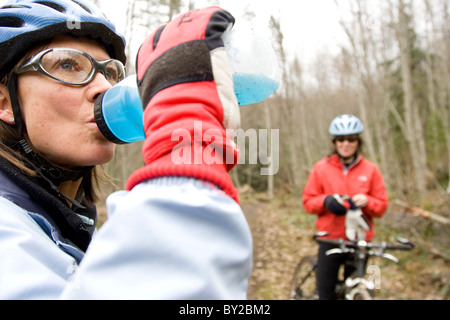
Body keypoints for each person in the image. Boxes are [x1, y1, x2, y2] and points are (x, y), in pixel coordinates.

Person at [0, 0, 252, 299]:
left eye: (109, 71)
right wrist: (184, 161)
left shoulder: (62, 221)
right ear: (4, 103)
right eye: (67, 64)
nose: (104, 87)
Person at [302, 114, 388, 300]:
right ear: (335, 142)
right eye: (341, 139)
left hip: (360, 241)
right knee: (326, 294)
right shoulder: (321, 168)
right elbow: (308, 202)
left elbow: (381, 207)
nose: (346, 144)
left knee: (355, 293)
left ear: (358, 141)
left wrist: (368, 202)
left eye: (351, 139)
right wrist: (325, 201)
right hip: (330, 240)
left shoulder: (370, 169)